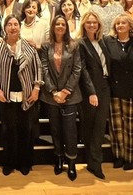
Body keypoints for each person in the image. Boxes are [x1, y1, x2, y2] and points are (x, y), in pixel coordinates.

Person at [39, 15, 93, 181]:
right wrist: (53, 91)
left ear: (66, 27)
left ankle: (71, 161)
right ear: (53, 26)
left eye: (63, 24)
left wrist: (65, 91)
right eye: (57, 24)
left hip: (70, 96)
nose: (60, 26)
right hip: (51, 96)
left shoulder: (74, 45)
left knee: (70, 130)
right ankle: (59, 158)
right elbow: (44, 68)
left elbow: (77, 69)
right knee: (55, 129)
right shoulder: (45, 45)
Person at [0, 15, 42, 176]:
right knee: (8, 130)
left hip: (27, 96)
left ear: (20, 27)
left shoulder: (28, 46)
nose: (13, 27)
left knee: (26, 129)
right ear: (5, 28)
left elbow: (38, 67)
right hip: (6, 96)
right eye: (9, 24)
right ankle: (9, 163)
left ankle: (25, 163)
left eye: (16, 24)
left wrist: (36, 88)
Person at [103, 13, 133, 171]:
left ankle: (131, 157)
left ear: (129, 26)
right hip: (114, 89)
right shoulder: (108, 41)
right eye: (118, 23)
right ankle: (118, 156)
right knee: (116, 126)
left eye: (123, 23)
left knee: (131, 127)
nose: (120, 25)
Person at [77, 11, 111, 180]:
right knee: (89, 127)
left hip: (105, 87)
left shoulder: (103, 41)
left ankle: (94, 162)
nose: (92, 25)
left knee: (99, 127)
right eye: (89, 22)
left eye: (94, 22)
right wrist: (91, 92)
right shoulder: (81, 44)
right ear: (84, 24)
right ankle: (93, 163)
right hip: (89, 91)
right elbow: (82, 70)